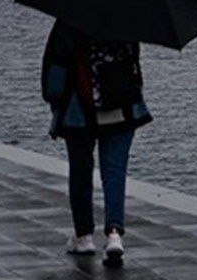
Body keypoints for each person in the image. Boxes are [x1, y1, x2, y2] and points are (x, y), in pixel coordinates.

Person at [41, 20, 152, 267]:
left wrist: (53, 100)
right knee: (114, 173)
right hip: (122, 108)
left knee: (80, 171)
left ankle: (84, 237)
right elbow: (133, 64)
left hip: (78, 111)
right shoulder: (127, 21)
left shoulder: (69, 21)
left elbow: (55, 70)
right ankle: (114, 235)